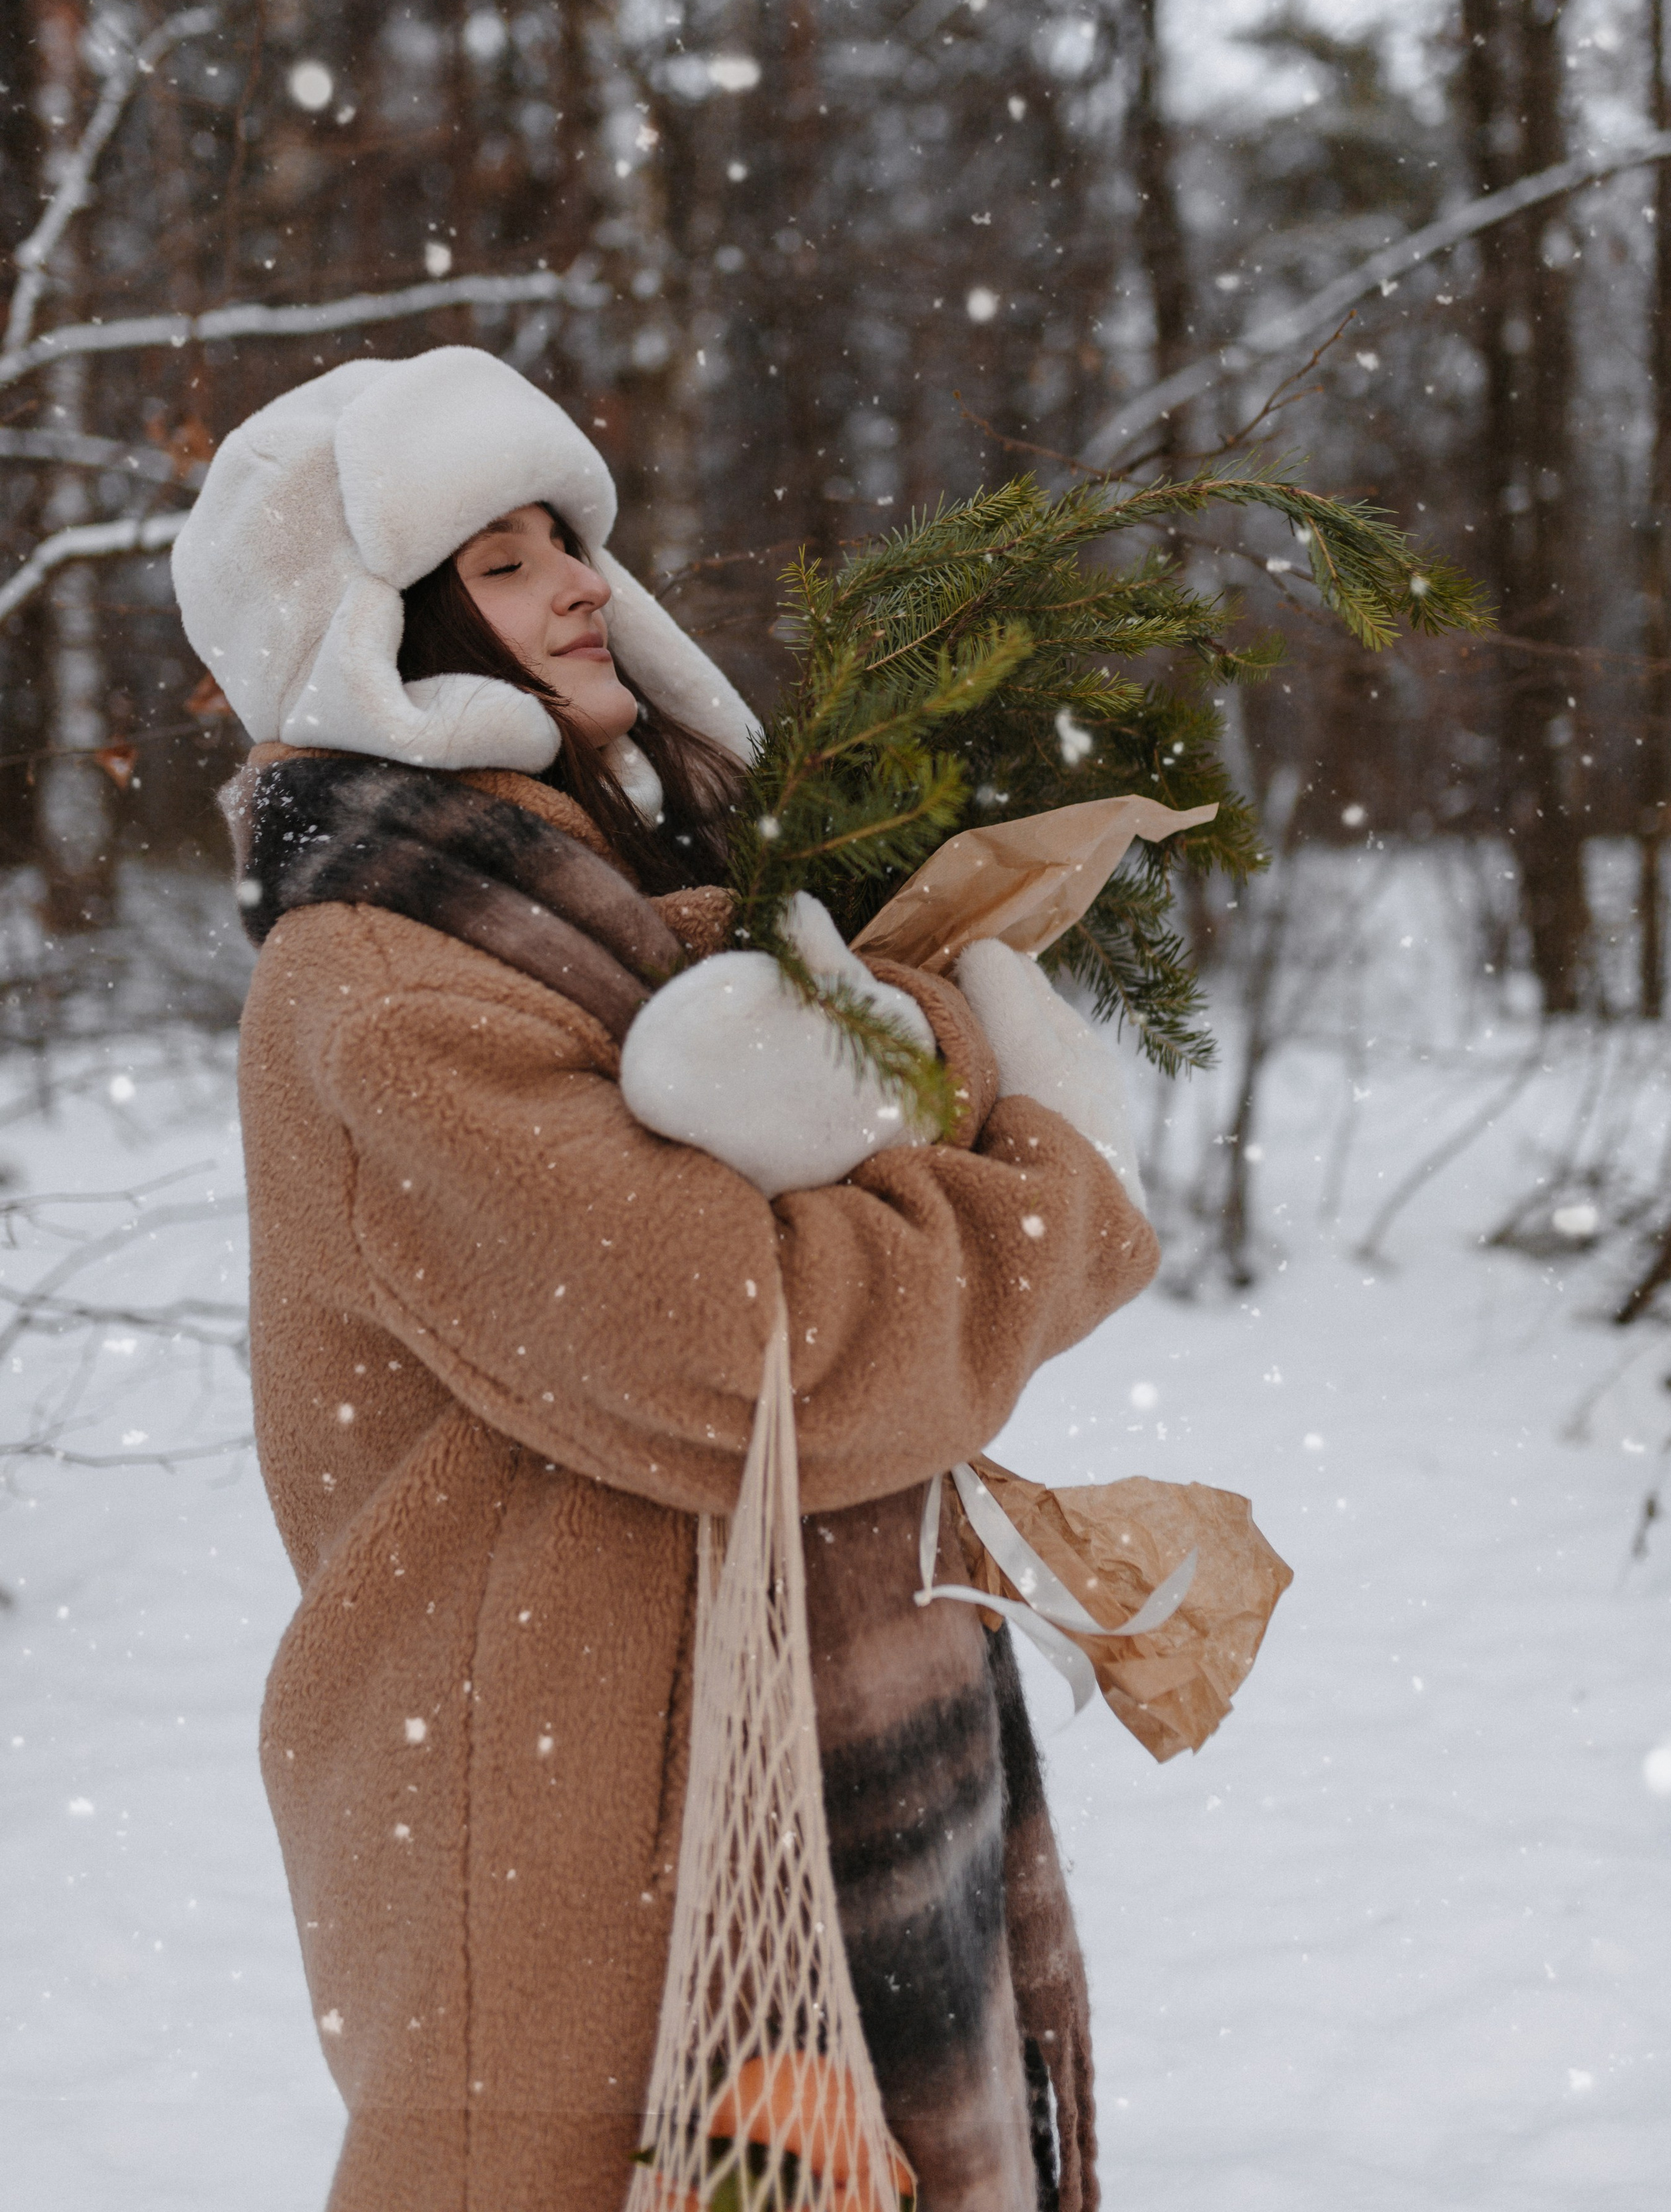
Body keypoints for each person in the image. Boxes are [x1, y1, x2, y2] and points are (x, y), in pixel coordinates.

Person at [173, 346, 1160, 2212]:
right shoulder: (388, 984)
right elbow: (752, 1349)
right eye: (501, 559)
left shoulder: (637, 902)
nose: (575, 582)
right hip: (566, 1817)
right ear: (384, 637)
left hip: (751, 1759)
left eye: (569, 537)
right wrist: (1052, 1183)